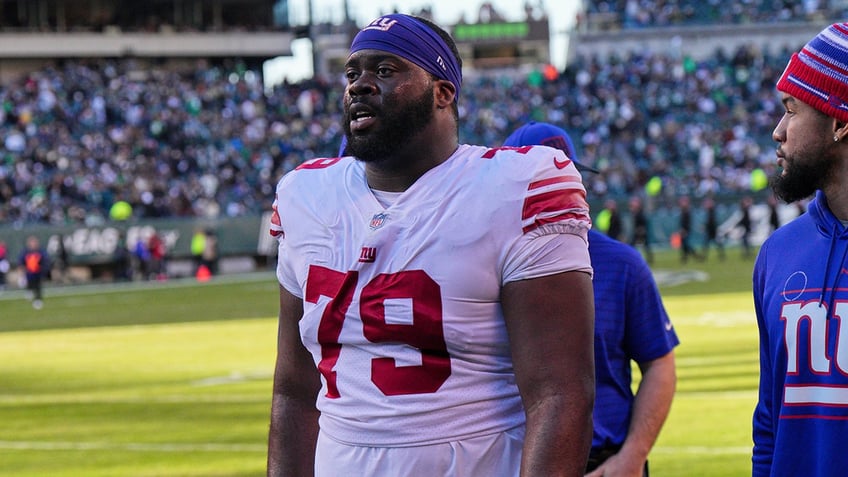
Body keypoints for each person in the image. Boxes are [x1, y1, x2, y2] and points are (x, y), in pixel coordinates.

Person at [267, 14, 595, 477]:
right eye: (352, 73)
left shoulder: (513, 187)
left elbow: (561, 392)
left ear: (443, 92)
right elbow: (294, 391)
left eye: (385, 71)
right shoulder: (305, 195)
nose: (359, 85)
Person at [504, 121, 678, 477]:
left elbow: (659, 364)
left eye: (565, 175)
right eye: (540, 179)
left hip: (606, 462)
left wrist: (632, 456)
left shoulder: (622, 264)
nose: (558, 189)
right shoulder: (481, 265)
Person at [753, 22, 848, 476]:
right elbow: (769, 423)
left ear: (840, 121)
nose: (778, 131)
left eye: (792, 110)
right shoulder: (777, 254)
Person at [18, 235, 50, 309]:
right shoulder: (25, 252)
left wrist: (44, 269)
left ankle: (38, 300)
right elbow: (21, 262)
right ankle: (29, 292)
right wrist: (21, 271)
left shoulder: (41, 251)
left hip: (38, 272)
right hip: (29, 273)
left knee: (38, 286)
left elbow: (45, 261)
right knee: (30, 284)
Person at [676, 195, 703, 263]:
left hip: (685, 231)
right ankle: (685, 258)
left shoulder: (687, 212)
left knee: (686, 245)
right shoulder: (683, 211)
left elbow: (687, 223)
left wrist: (684, 230)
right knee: (684, 246)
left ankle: (696, 256)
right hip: (683, 230)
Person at [628, 195, 654, 264]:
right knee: (633, 245)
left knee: (645, 245)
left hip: (641, 232)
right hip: (637, 232)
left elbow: (643, 223)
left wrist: (641, 230)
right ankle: (632, 258)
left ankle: (650, 259)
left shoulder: (640, 214)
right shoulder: (635, 213)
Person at [701, 196, 725, 261]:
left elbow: (711, 222)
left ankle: (721, 256)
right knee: (708, 245)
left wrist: (705, 227)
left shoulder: (712, 211)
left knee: (713, 245)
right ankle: (721, 256)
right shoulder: (710, 211)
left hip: (712, 231)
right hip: (711, 231)